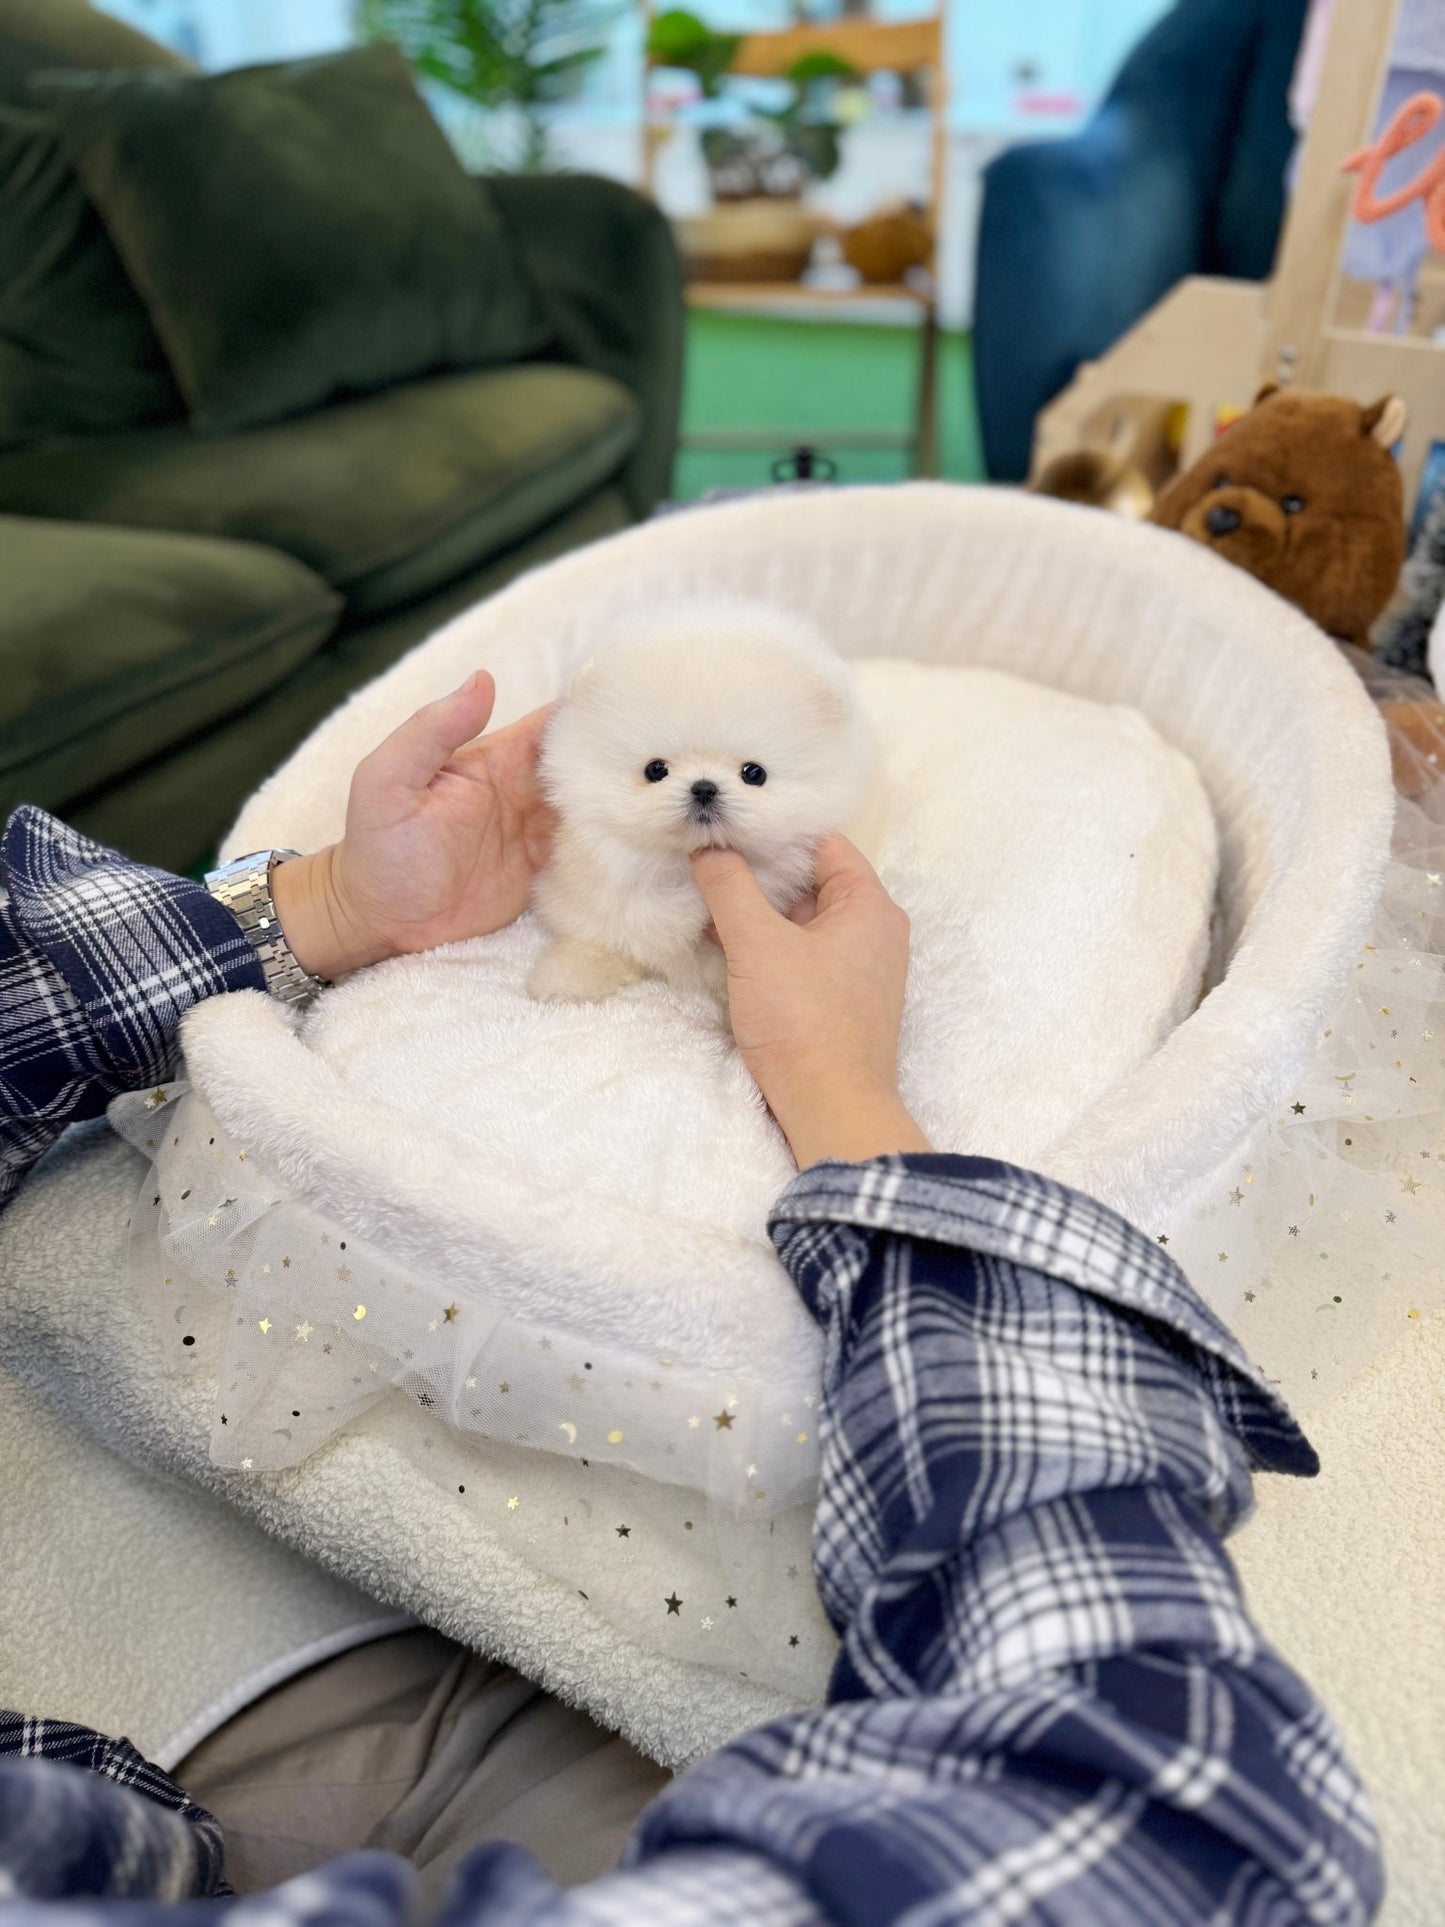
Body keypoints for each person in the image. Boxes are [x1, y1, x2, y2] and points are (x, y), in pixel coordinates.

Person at [0, 673, 1381, 1923]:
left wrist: (334, 906)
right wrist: (854, 1113)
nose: (701, 798)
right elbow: (1182, 1825)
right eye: (659, 772)